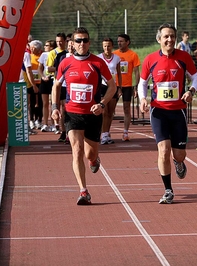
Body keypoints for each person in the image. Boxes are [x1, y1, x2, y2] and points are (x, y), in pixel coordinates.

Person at [51, 27, 116, 205]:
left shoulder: (98, 62)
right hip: (72, 114)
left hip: (93, 114)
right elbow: (56, 86)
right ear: (71, 43)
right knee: (77, 150)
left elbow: (112, 86)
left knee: (89, 153)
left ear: (89, 42)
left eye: (85, 40)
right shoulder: (65, 63)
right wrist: (54, 107)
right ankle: (83, 191)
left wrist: (102, 104)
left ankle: (94, 159)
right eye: (78, 40)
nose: (82, 44)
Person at [138, 23, 197, 204]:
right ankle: (168, 190)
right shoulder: (150, 59)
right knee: (163, 150)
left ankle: (179, 162)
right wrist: (143, 99)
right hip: (159, 111)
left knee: (178, 154)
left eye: (172, 36)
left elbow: (196, 77)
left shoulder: (184, 57)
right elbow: (142, 83)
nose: (170, 39)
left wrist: (191, 91)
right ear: (159, 40)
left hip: (178, 111)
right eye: (166, 36)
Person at [113, 34, 140, 141]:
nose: (119, 43)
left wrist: (136, 87)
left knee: (126, 109)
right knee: (110, 110)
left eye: (121, 41)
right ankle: (105, 132)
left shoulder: (133, 55)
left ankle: (125, 132)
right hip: (115, 86)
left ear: (127, 42)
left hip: (127, 86)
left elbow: (137, 72)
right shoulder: (114, 54)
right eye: (118, 41)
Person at [97, 37, 122, 144]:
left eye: (109, 46)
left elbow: (119, 74)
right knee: (104, 111)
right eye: (105, 46)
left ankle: (107, 133)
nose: (107, 48)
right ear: (103, 47)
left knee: (110, 112)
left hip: (113, 86)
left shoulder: (116, 58)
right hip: (102, 86)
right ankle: (102, 134)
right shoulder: (98, 58)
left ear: (112, 46)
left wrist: (119, 87)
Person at [44, 32, 67, 133]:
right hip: (57, 82)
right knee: (55, 104)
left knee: (65, 106)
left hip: (67, 83)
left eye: (61, 41)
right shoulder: (53, 53)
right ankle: (55, 124)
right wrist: (60, 69)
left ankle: (63, 128)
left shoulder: (68, 52)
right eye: (57, 42)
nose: (59, 43)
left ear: (65, 41)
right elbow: (48, 69)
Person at [38, 40, 56, 132]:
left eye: (47, 45)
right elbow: (40, 68)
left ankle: (53, 124)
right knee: (45, 103)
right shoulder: (43, 55)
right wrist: (43, 77)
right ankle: (45, 123)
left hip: (53, 80)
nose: (45, 46)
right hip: (45, 80)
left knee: (53, 103)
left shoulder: (55, 54)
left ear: (52, 47)